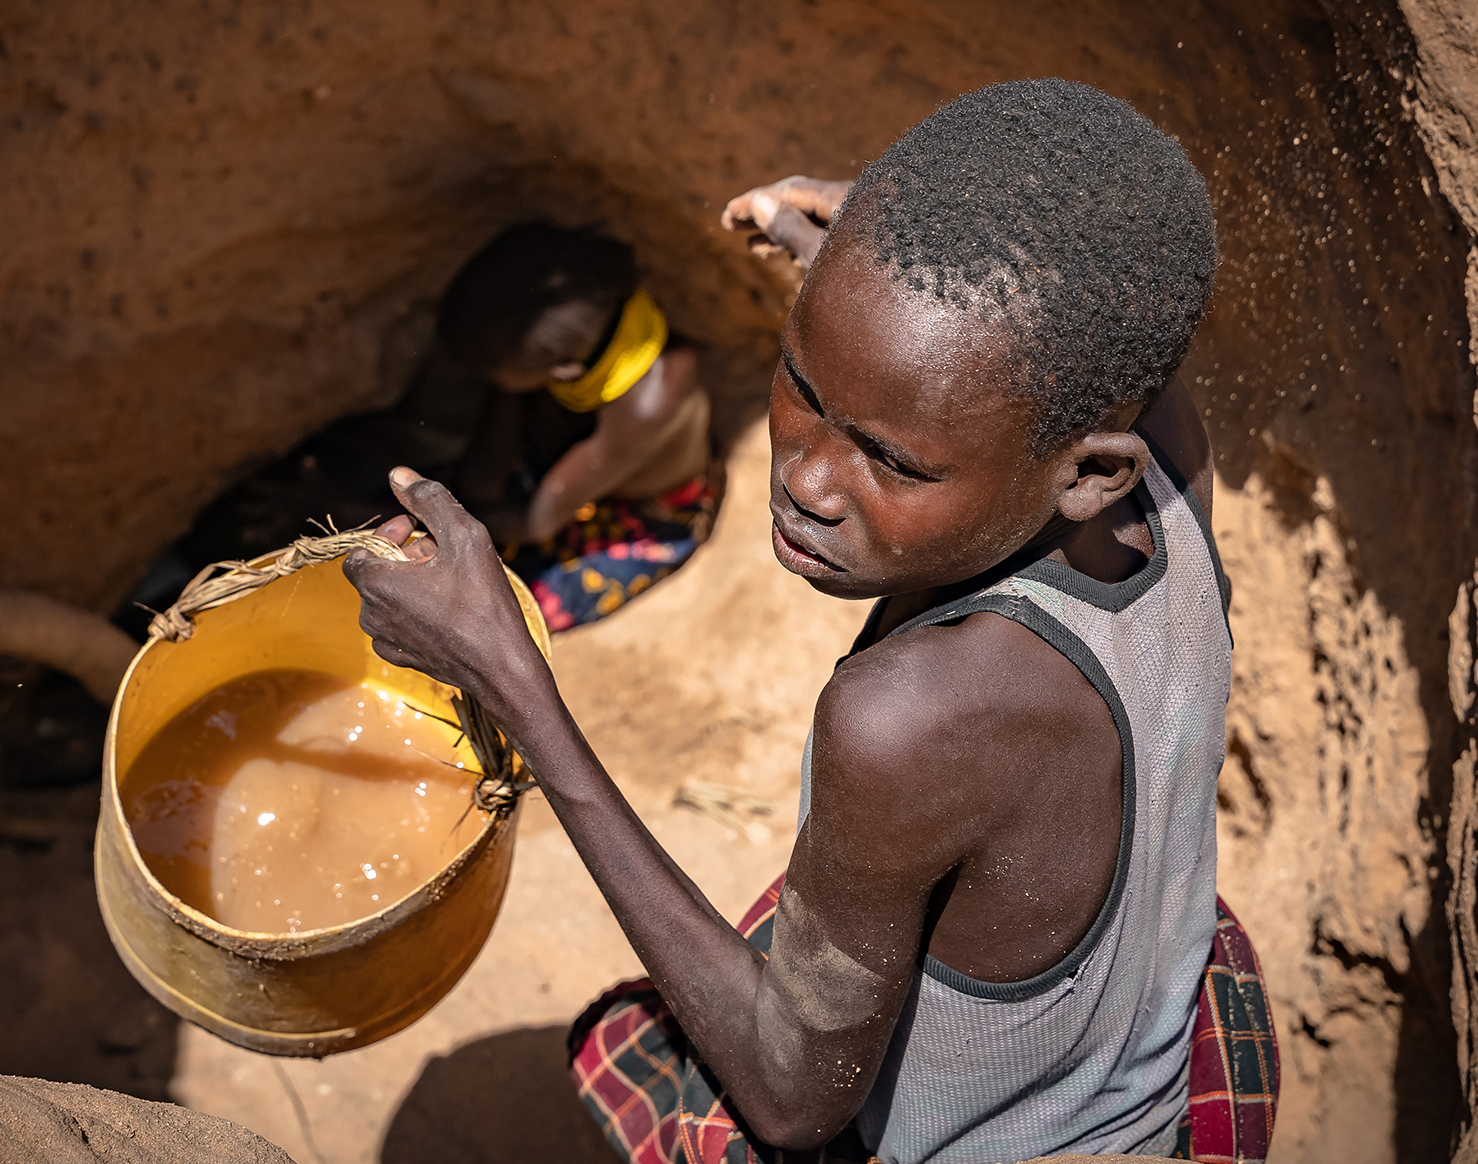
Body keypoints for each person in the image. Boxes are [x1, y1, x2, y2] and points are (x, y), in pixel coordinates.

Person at [343, 79, 1277, 1162]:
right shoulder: (1167, 445)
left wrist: (515, 684)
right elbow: (1028, 357)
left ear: (1086, 475)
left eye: (892, 457)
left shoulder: (913, 719)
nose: (807, 478)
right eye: (800, 374)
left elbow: (795, 1099)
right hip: (1135, 1026)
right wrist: (880, 264)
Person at [439, 223, 719, 631]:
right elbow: (488, 462)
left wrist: (439, 526)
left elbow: (537, 523)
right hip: (591, 464)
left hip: (646, 514)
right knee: (456, 500)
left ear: (562, 371)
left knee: (501, 612)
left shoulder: (650, 404)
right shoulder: (597, 310)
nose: (484, 382)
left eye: (494, 376)